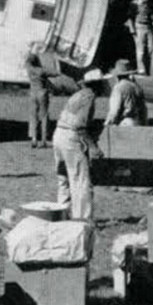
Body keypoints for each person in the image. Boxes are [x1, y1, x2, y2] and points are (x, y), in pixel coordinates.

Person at [52, 68, 106, 221]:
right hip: (70, 138)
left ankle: (61, 215)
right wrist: (93, 147)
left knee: (63, 179)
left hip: (58, 134)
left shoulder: (77, 95)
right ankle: (82, 219)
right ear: (97, 84)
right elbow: (80, 126)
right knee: (80, 180)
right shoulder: (89, 96)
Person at [25, 51, 59, 147]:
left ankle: (34, 138)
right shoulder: (42, 71)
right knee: (43, 116)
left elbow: (28, 61)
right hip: (42, 92)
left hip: (32, 93)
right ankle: (44, 139)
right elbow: (57, 73)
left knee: (33, 116)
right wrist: (56, 61)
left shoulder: (29, 69)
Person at [104, 58, 148, 127]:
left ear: (117, 76)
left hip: (125, 123)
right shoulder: (137, 87)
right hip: (138, 122)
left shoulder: (119, 88)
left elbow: (114, 111)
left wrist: (107, 123)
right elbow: (144, 110)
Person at [127, 0, 153, 75]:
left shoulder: (149, 4)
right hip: (139, 27)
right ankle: (141, 70)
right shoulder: (134, 3)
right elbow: (130, 18)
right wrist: (132, 31)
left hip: (148, 27)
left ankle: (148, 68)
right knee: (140, 50)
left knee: (151, 48)